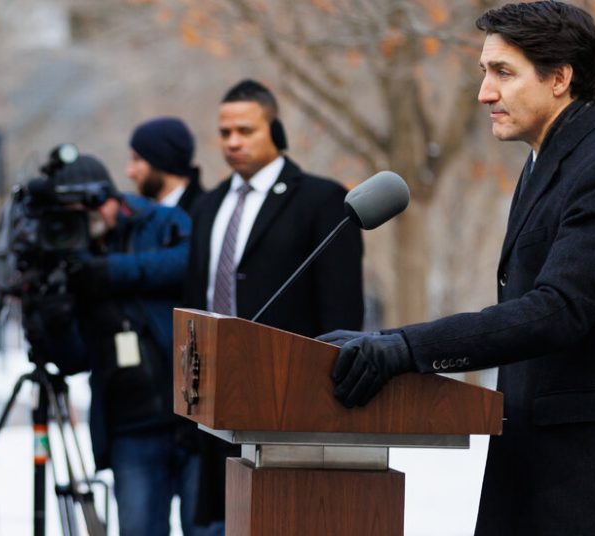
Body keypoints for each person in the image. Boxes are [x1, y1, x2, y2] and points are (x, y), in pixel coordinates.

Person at [321, 2, 595, 534]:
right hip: (541, 465)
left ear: (560, 78)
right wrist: (389, 342)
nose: (485, 92)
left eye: (503, 73)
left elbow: (555, 312)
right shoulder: (550, 160)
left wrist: (407, 347)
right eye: (485, 73)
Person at [182, 79, 365, 528]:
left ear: (275, 131)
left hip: (289, 411)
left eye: (246, 130)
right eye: (225, 133)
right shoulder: (206, 207)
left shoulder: (322, 201)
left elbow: (341, 312)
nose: (233, 142)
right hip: (211, 409)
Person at [36, 154, 198, 535]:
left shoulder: (161, 223)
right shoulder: (69, 254)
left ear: (101, 198)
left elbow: (191, 265)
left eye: (77, 211)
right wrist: (56, 319)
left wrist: (112, 273)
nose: (74, 224)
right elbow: (74, 359)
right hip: (130, 427)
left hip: (191, 415)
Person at [127, 116, 203, 213]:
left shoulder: (202, 216)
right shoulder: (145, 216)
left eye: (137, 159)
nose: (129, 172)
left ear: (161, 161)